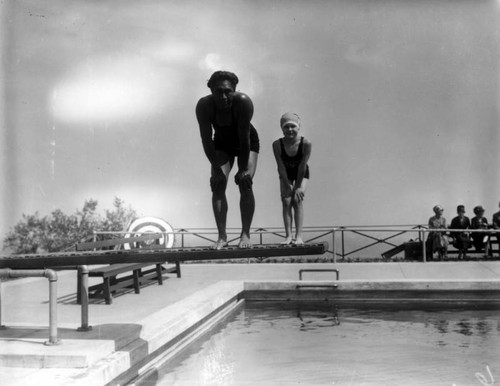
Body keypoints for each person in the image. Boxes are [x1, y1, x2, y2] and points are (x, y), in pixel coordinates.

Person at [196, 71, 259, 249]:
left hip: (245, 143)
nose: (223, 96)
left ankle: (245, 234)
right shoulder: (204, 106)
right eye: (218, 91)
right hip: (222, 144)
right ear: (211, 91)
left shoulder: (243, 102)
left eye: (228, 91)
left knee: (245, 182)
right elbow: (206, 140)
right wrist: (216, 169)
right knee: (218, 184)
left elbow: (245, 138)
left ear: (235, 90)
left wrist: (243, 168)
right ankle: (222, 237)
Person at [272, 112, 312, 245]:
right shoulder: (277, 144)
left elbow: (302, 167)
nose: (290, 130)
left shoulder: (306, 143)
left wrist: (298, 187)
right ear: (282, 128)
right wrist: (286, 183)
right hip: (285, 174)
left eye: (293, 126)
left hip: (302, 173)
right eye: (286, 127)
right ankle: (288, 236)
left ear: (298, 127)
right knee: (286, 201)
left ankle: (299, 237)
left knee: (297, 199)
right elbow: (280, 167)